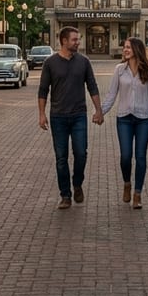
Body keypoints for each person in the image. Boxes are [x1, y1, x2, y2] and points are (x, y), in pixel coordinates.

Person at [38, 26, 102, 210]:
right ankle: (65, 195)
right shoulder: (50, 63)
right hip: (58, 117)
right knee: (61, 158)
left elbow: (92, 86)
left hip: (79, 116)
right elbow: (43, 90)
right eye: (74, 40)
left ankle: (77, 183)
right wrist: (41, 114)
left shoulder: (84, 62)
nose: (78, 42)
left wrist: (98, 110)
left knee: (81, 154)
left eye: (78, 39)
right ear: (64, 41)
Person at [96, 36, 148, 209]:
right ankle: (127, 183)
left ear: (137, 50)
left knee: (140, 156)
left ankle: (137, 193)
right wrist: (100, 112)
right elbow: (111, 95)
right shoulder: (119, 70)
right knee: (126, 156)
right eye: (124, 47)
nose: (125, 50)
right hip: (124, 118)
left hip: (144, 119)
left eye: (128, 47)